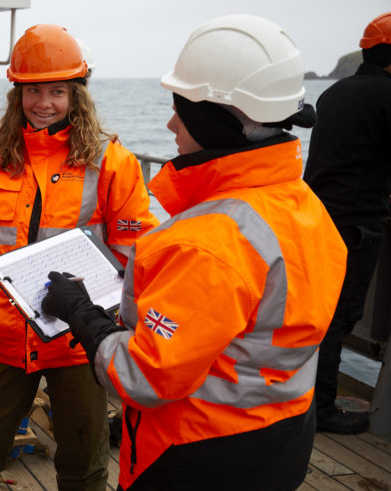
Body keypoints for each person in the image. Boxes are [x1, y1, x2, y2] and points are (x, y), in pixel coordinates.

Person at [41, 15, 347, 490]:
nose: (169, 123)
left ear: (215, 118)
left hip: (199, 451)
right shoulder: (304, 207)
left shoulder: (206, 241)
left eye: (180, 109)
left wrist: (80, 311)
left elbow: (143, 375)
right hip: (284, 430)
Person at [0, 23, 159, 491]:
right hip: (3, 340)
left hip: (80, 343)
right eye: (33, 91)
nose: (44, 103)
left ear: (77, 95)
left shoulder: (112, 163)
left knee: (84, 464)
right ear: (16, 94)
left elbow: (135, 253)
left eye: (58, 91)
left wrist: (111, 326)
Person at [303, 11, 391, 435]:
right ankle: (322, 409)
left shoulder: (336, 92)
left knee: (315, 312)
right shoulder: (387, 95)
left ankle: (304, 399)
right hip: (357, 223)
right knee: (339, 318)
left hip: (318, 217)